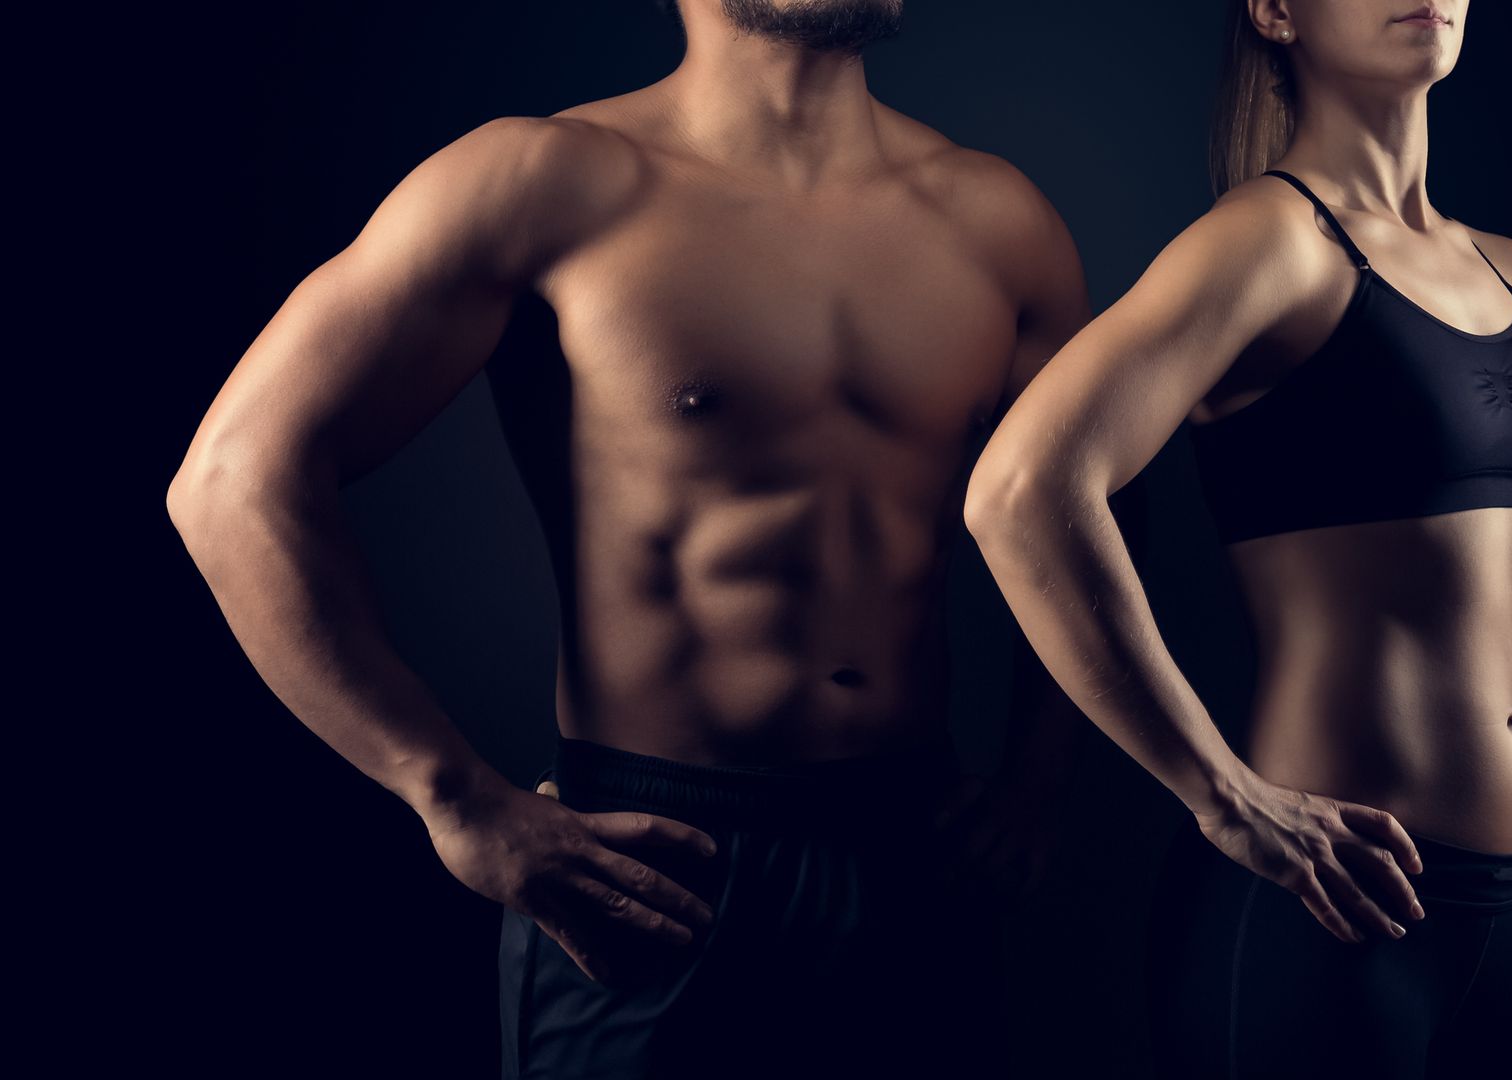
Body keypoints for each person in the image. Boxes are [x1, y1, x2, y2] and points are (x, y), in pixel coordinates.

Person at [164, 1, 1091, 1077]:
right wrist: (450, 793)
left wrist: (1041, 780)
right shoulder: (547, 183)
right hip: (655, 871)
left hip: (915, 852)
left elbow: (1084, 510)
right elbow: (232, 482)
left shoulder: (1000, 221)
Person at [963, 2, 1512, 1077]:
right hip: (1328, 919)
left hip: (1511, 920)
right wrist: (1221, 796)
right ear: (1276, 12)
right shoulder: (1272, 241)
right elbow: (1024, 488)